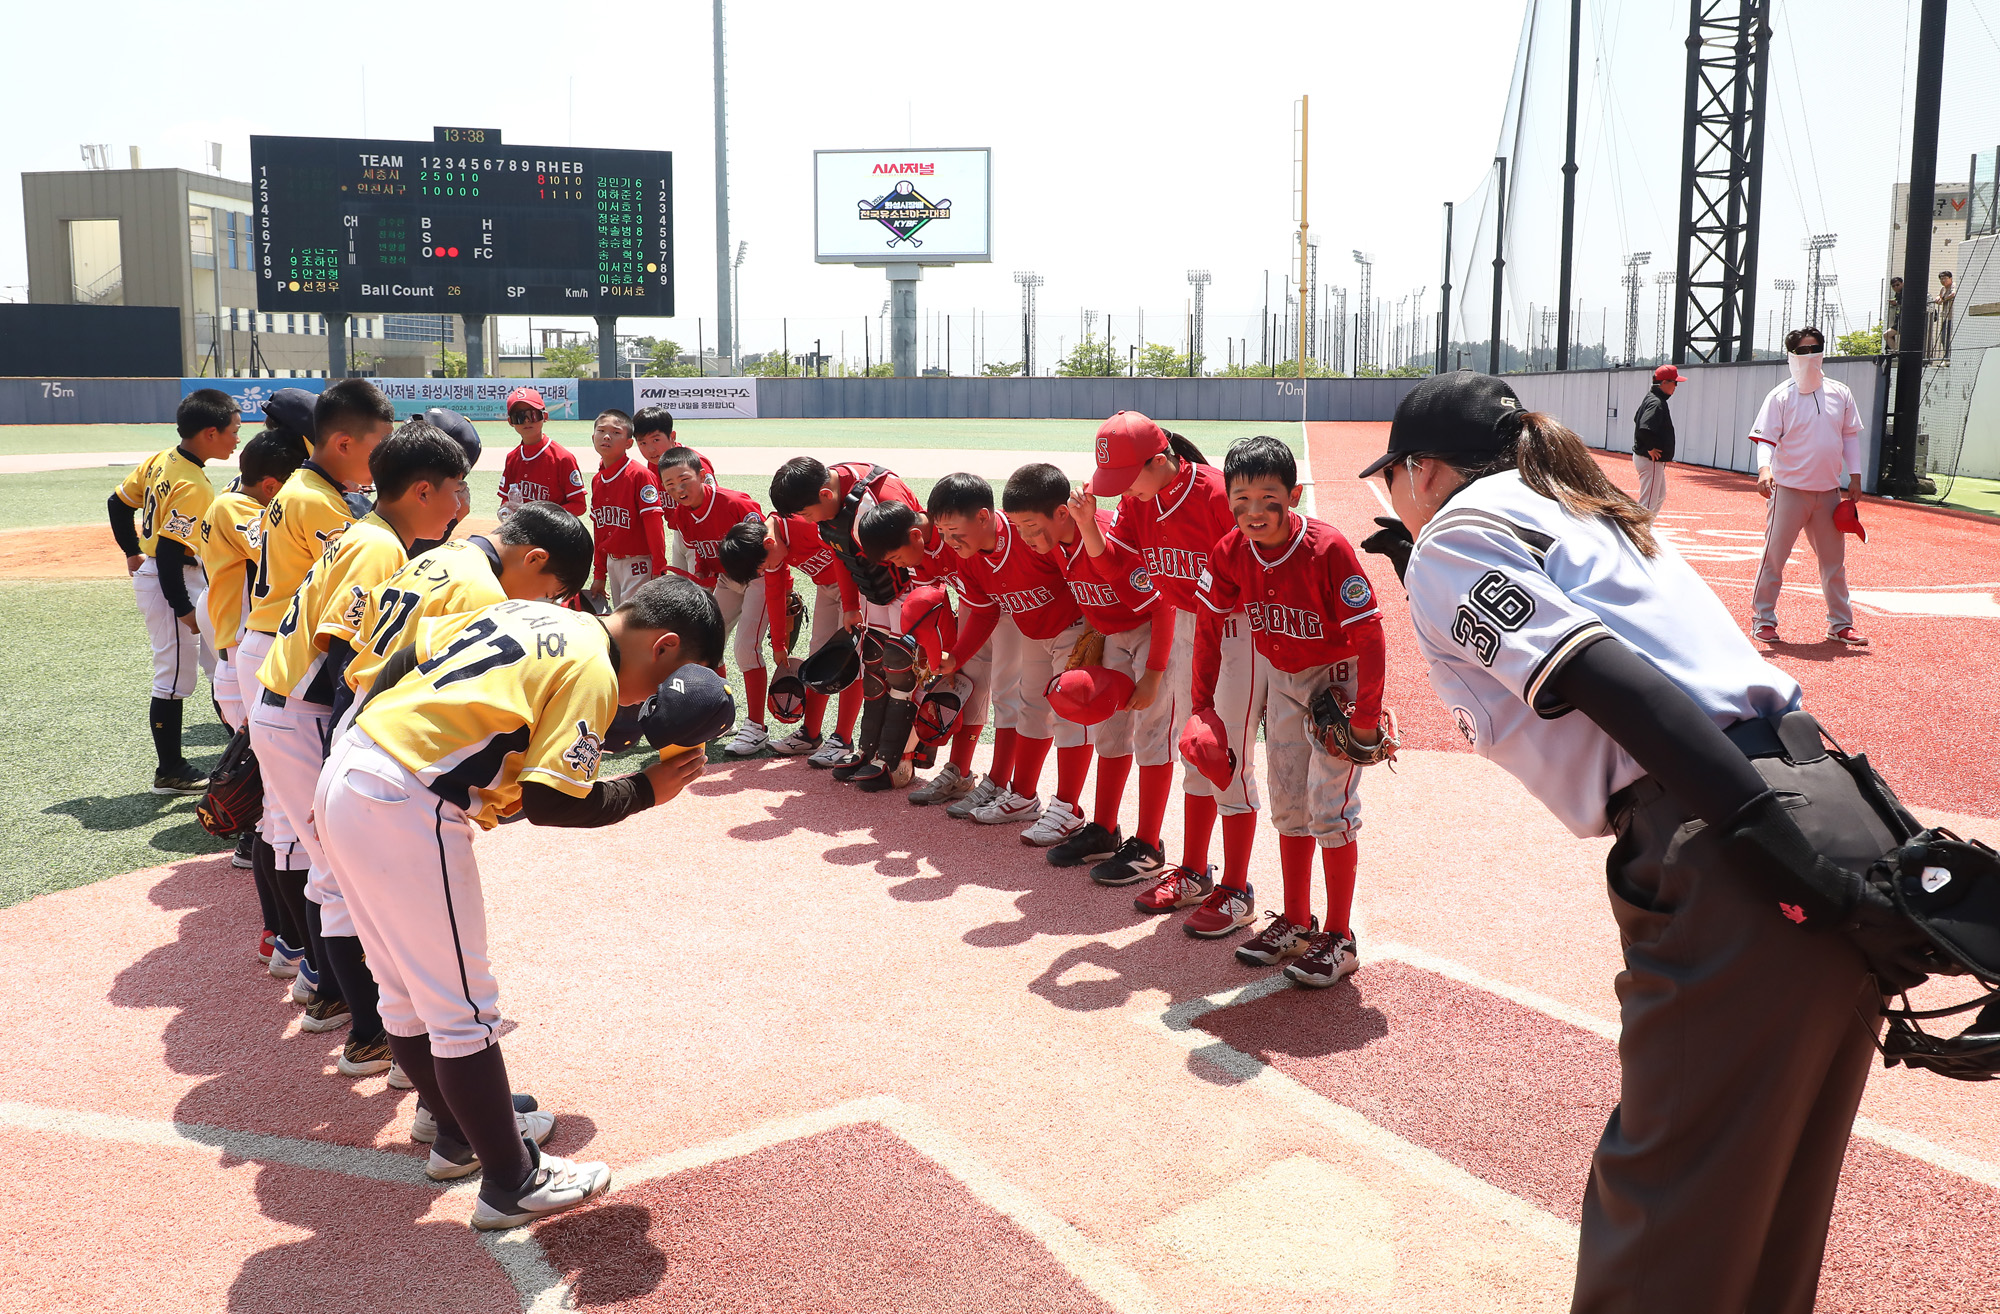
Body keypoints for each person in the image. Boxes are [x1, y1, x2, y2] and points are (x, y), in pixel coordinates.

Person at [1360, 370, 1931, 1313]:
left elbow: (1610, 679)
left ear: (1425, 471)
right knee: (1772, 1205)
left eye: (1394, 480)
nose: (1395, 501)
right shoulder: (1587, 505)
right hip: (1826, 791)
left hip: (1733, 836)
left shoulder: (1458, 533)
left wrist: (1784, 861)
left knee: (1669, 1205)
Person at [316, 577, 724, 1229]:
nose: (654, 699)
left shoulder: (536, 611)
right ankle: (513, 1180)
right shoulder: (595, 667)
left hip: (354, 767)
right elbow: (551, 803)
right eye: (671, 677)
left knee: (406, 994)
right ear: (664, 644)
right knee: (463, 1010)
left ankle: (454, 1133)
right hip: (405, 803)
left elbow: (409, 654)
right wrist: (646, 790)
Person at [252, 419, 472, 1060]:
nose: (463, 504)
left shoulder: (369, 533)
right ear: (422, 491)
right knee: (345, 875)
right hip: (306, 714)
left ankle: (330, 996)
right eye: (456, 488)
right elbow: (349, 651)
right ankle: (369, 1032)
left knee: (328, 865)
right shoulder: (379, 548)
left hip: (287, 704)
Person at [1181, 436, 1386, 984]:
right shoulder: (1229, 551)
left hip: (1336, 683)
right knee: (1289, 805)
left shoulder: (1327, 547)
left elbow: (1368, 633)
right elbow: (1207, 628)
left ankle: (1340, 938)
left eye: (1267, 496)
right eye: (1240, 498)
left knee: (1330, 809)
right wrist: (1204, 707)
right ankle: (1297, 921)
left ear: (1292, 495)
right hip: (1284, 681)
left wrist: (1367, 714)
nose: (1252, 511)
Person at [239, 380, 396, 994]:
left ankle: (296, 954)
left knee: (286, 828)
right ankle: (329, 986)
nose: (381, 460)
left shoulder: (306, 487)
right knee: (322, 851)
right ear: (341, 442)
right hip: (297, 660)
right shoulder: (324, 504)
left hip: (276, 645)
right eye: (377, 446)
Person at [1085, 412, 1258, 900]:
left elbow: (1262, 566)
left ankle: (1235, 888)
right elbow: (1116, 570)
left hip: (1234, 627)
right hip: (1187, 623)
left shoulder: (1217, 493)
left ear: (1160, 459)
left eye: (1127, 476)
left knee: (1226, 756)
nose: (1122, 489)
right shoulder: (1139, 501)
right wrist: (1086, 526)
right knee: (1194, 749)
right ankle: (1196, 870)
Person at [1003, 462, 1175, 868]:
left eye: (1030, 525)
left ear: (1061, 513)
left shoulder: (1104, 534)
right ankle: (1104, 829)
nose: (1025, 537)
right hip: (1116, 634)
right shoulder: (1059, 539)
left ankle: (1149, 845)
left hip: (1156, 634)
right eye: (1018, 527)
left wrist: (1153, 674)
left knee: (1153, 738)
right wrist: (1096, 632)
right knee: (1112, 735)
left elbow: (1162, 605)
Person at [928, 472, 1091, 844]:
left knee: (1069, 715)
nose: (950, 542)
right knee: (1031, 708)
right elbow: (984, 611)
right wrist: (956, 657)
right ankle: (1022, 795)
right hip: (1034, 631)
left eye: (956, 531)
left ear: (984, 517)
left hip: (1074, 627)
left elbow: (1082, 575)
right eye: (944, 533)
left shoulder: (1028, 532)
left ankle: (1068, 809)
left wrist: (1095, 627)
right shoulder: (968, 556)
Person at [768, 456, 931, 785]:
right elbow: (840, 549)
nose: (806, 520)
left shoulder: (881, 497)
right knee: (873, 665)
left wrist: (921, 603)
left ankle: (902, 758)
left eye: (807, 514)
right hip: (873, 592)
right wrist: (849, 604)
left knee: (903, 669)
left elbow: (918, 550)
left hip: (909, 587)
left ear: (825, 496)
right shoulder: (831, 494)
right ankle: (871, 749)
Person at [110, 388, 239, 793]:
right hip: (172, 584)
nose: (238, 438)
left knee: (222, 667)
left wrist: (132, 552)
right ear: (209, 433)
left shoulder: (162, 459)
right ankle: (170, 770)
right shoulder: (192, 484)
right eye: (234, 430)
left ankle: (242, 756)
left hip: (176, 576)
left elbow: (117, 503)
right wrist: (182, 607)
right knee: (173, 676)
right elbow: (168, 554)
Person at [198, 428, 307, 893]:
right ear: (269, 485)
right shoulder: (235, 507)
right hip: (245, 652)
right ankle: (278, 923)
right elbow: (274, 549)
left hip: (241, 647)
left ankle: (258, 846)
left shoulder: (232, 496)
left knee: (269, 786)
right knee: (268, 796)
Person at [853, 498, 997, 805]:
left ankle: (1005, 785)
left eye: (895, 557)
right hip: (981, 606)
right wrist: (947, 657)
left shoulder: (952, 539)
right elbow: (934, 608)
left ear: (916, 536)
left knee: (1016, 701)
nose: (896, 565)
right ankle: (960, 773)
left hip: (1009, 604)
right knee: (968, 684)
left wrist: (956, 654)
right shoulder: (918, 552)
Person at [1748, 327, 1868, 647]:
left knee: (1834, 563)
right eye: (1802, 350)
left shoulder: (1840, 392)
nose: (1810, 355)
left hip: (1828, 493)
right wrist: (1764, 470)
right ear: (1791, 355)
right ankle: (1763, 620)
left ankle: (1840, 624)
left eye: (1815, 348)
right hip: (1789, 490)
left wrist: (1854, 477)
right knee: (1774, 558)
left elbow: (1849, 436)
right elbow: (1766, 440)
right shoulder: (1780, 396)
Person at [717, 512, 860, 760]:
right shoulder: (771, 543)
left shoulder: (801, 526)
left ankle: (843, 739)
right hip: (827, 586)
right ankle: (811, 734)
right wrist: (779, 644)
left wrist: (850, 605)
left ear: (768, 544)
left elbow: (844, 555)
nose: (765, 570)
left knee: (852, 660)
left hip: (856, 587)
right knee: (819, 657)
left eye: (763, 566)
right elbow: (774, 592)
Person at [658, 447, 773, 753]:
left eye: (684, 480)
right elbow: (704, 558)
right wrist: (701, 575)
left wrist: (781, 593)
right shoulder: (682, 514)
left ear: (703, 475)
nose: (678, 490)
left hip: (758, 577)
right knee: (706, 643)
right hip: (727, 579)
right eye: (670, 486)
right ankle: (723, 716)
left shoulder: (735, 503)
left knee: (745, 649)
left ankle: (757, 727)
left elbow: (765, 550)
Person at [584, 408, 667, 609]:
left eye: (616, 432)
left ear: (629, 443)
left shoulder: (640, 475)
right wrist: (599, 574)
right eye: (601, 431)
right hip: (613, 563)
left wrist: (659, 567)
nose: (606, 436)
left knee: (632, 621)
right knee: (622, 620)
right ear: (592, 437)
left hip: (638, 563)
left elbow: (654, 525)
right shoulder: (598, 480)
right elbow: (600, 531)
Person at [632, 405, 715, 575]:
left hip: (701, 537)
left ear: (672, 436)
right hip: (680, 534)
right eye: (643, 443)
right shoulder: (654, 464)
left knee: (700, 590)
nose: (650, 449)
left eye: (656, 440)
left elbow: (713, 507)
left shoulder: (693, 463)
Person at [499, 386, 587, 520]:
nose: (527, 421)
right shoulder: (512, 458)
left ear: (544, 416)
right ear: (510, 422)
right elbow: (506, 499)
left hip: (553, 534)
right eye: (520, 417)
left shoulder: (562, 458)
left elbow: (579, 505)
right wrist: (505, 510)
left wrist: (543, 515)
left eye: (532, 414)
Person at [1631, 365, 1680, 513]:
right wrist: (1650, 448)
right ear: (1664, 382)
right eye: (1675, 382)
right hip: (1649, 459)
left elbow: (1636, 419)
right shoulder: (1656, 402)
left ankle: (1645, 528)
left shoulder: (1653, 398)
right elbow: (1644, 427)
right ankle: (1639, 532)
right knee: (1648, 502)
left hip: (1649, 459)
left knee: (1658, 496)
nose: (1676, 386)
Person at [1883, 276, 1903, 354]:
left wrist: (1897, 303)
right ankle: (1896, 351)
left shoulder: (1906, 292)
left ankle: (1897, 352)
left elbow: (1907, 303)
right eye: (1893, 286)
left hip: (1906, 321)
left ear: (1902, 283)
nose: (1895, 287)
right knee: (1887, 335)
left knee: (1887, 335)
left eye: (1897, 285)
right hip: (1899, 321)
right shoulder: (1898, 294)